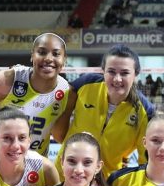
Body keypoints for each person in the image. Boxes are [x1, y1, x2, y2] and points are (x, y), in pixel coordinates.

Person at [52, 44, 155, 179]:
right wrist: (61, 135)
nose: (117, 79)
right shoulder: (85, 84)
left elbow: (146, 162)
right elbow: (60, 110)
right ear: (103, 71)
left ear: (135, 75)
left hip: (106, 184)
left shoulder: (145, 111)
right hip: (64, 176)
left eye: (124, 73)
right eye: (111, 72)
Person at [0, 33, 70, 157]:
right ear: (32, 55)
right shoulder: (6, 80)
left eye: (56, 54)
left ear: (64, 60)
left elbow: (61, 136)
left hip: (35, 166)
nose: (48, 58)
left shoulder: (67, 92)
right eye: (42, 52)